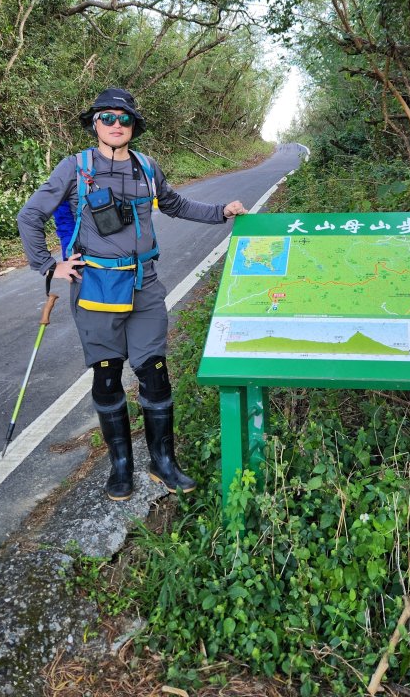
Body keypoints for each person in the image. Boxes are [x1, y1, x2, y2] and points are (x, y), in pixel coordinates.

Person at [17, 87, 247, 500]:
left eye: (124, 119)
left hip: (145, 286)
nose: (116, 125)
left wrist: (221, 213)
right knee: (107, 376)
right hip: (97, 288)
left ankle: (163, 463)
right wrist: (51, 266)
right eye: (108, 117)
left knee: (154, 371)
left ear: (134, 126)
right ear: (94, 123)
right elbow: (30, 215)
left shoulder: (146, 167)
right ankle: (121, 467)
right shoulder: (74, 168)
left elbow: (174, 204)